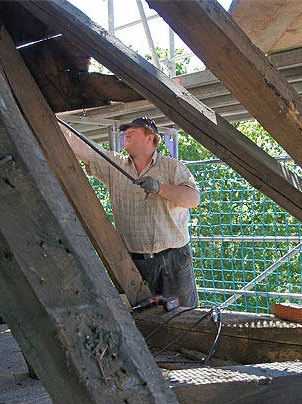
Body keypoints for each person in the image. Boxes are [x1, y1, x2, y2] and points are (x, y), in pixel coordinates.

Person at [64, 116, 201, 307]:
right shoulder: (115, 165)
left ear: (150, 137)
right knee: (141, 322)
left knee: (186, 318)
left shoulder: (172, 167)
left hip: (173, 260)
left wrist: (159, 188)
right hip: (134, 264)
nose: (126, 133)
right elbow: (82, 148)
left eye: (133, 131)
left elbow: (193, 199)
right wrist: (53, 121)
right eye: (126, 131)